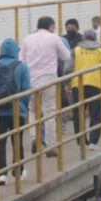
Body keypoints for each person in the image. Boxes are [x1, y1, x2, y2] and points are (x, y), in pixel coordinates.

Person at [20, 17, 72, 159]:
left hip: (31, 80)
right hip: (49, 79)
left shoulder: (27, 39)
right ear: (51, 26)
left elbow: (22, 60)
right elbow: (67, 56)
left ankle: (34, 138)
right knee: (49, 112)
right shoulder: (54, 38)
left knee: (32, 110)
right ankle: (50, 145)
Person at [0, 38, 31, 186]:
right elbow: (26, 89)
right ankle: (18, 169)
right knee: (17, 139)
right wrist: (23, 106)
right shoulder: (22, 66)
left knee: (0, 142)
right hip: (17, 110)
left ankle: (1, 174)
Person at [71, 29, 101, 147]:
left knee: (78, 113)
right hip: (96, 84)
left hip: (77, 85)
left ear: (84, 38)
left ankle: (81, 141)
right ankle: (93, 141)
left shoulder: (75, 51)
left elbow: (67, 68)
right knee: (96, 114)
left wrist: (66, 83)